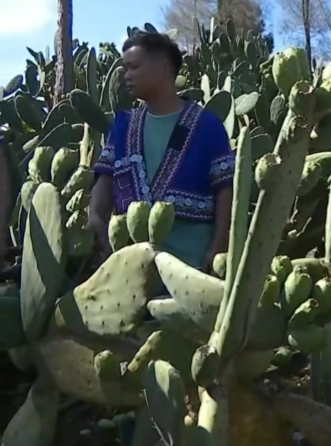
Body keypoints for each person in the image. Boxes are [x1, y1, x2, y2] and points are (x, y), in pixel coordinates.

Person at [90, 31, 234, 272]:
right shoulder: (123, 125)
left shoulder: (208, 126)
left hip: (192, 266)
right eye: (125, 68)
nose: (127, 75)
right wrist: (95, 214)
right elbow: (105, 178)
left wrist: (218, 245)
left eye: (134, 67)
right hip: (128, 269)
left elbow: (225, 191)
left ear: (164, 67)